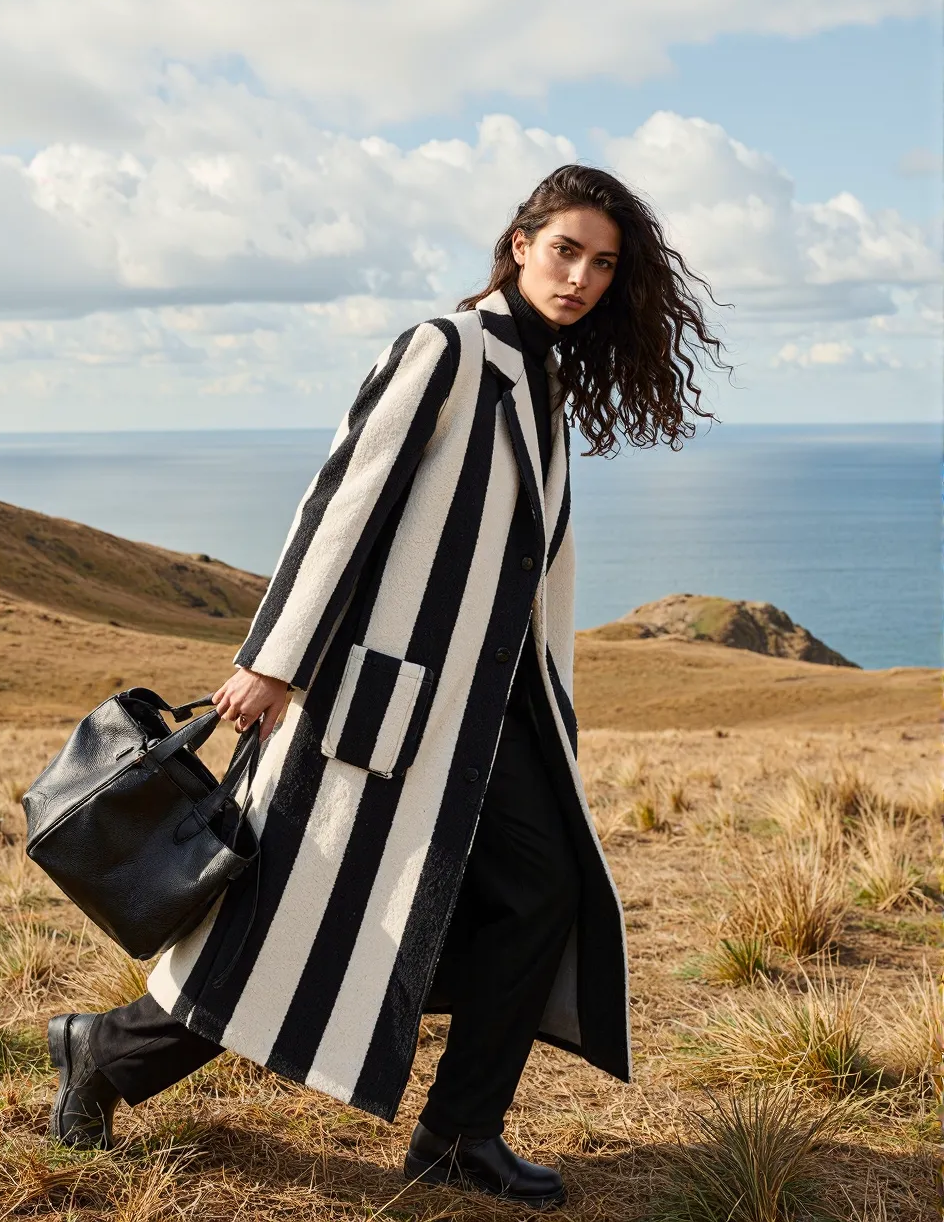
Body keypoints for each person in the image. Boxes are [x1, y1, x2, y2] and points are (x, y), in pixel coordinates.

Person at [46, 164, 727, 1209]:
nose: (583, 277)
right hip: (379, 713)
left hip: (492, 719)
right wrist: (272, 662)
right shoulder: (446, 351)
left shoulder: (540, 381)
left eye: (603, 263)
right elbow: (342, 503)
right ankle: (104, 1053)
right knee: (290, 923)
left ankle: (459, 1138)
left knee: (539, 894)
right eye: (565, 251)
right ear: (517, 246)